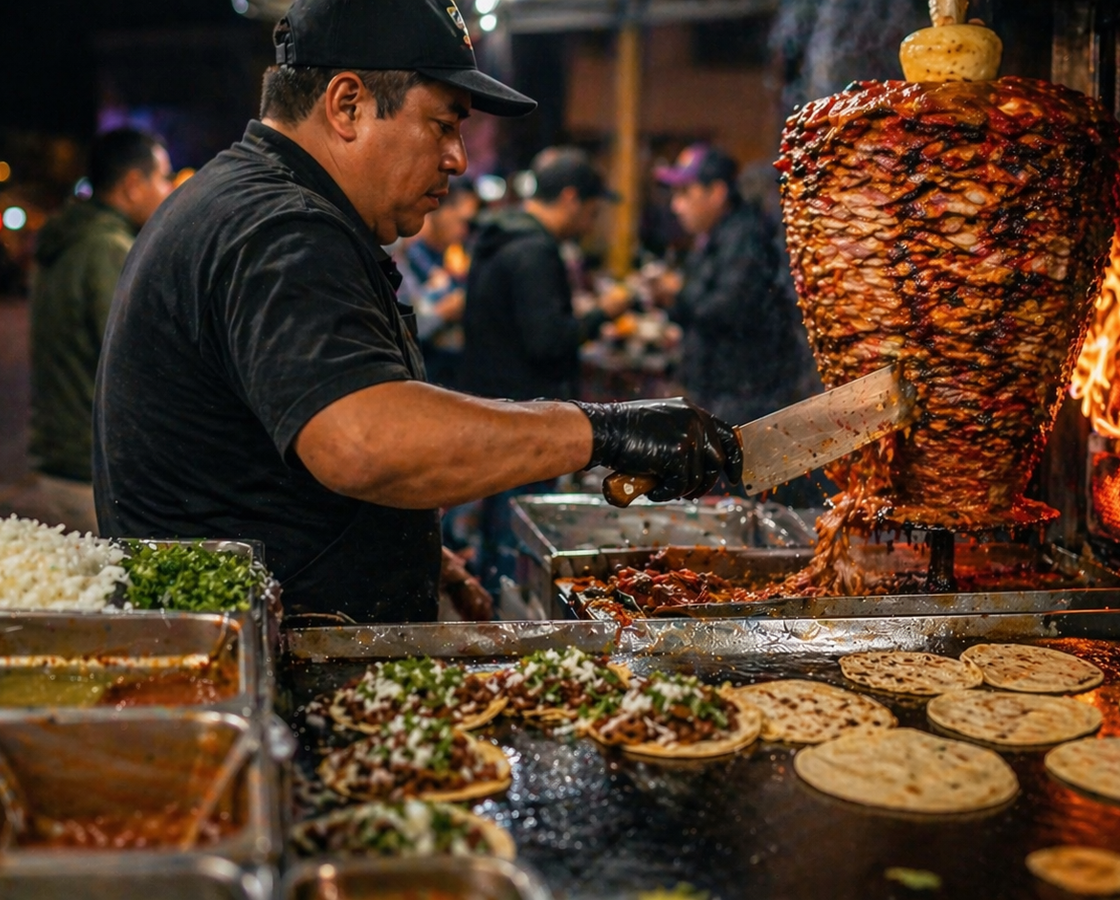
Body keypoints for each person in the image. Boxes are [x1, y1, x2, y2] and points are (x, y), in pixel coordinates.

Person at [92, 0, 741, 623]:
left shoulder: (256, 201)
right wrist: (606, 432)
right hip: (263, 663)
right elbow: (362, 441)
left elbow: (265, 451)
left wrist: (414, 551)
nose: (459, 157)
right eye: (443, 124)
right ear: (348, 105)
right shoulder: (280, 228)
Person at [29, 128, 173, 533]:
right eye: (163, 178)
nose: (168, 191)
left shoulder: (70, 238)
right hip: (92, 467)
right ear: (132, 185)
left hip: (61, 456)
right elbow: (142, 360)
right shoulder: (109, 249)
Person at [654, 143, 814, 426]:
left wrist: (678, 294)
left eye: (685, 192)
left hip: (746, 399)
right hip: (721, 392)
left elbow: (728, 308)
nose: (676, 206)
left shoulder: (746, 237)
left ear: (717, 192)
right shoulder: (715, 236)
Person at [458, 149, 629, 402]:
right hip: (521, 407)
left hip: (490, 399)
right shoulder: (534, 250)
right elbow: (548, 343)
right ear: (570, 199)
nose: (591, 225)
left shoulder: (503, 233)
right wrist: (602, 313)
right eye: (593, 212)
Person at [394, 176, 479, 387]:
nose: (466, 231)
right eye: (463, 221)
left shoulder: (461, 255)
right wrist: (444, 312)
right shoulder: (408, 258)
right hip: (418, 379)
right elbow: (401, 329)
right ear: (441, 211)